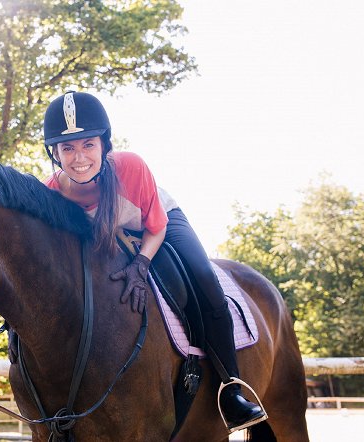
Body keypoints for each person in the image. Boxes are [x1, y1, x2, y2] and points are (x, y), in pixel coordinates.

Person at [42, 91, 267, 433]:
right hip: (111, 237)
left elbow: (156, 226)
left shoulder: (130, 166)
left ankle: (231, 390)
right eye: (67, 148)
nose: (79, 157)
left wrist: (141, 265)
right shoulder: (52, 195)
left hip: (157, 221)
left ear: (104, 144)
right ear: (55, 153)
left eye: (88, 145)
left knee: (203, 277)